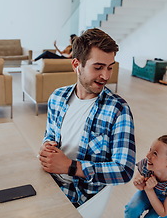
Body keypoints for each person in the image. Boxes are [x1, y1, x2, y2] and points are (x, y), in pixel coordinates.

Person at [38, 28, 136, 207]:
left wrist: (70, 166)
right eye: (98, 67)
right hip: (49, 182)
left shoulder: (118, 110)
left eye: (110, 67)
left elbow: (125, 170)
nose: (105, 76)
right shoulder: (57, 97)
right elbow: (50, 135)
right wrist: (47, 145)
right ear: (76, 65)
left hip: (81, 198)